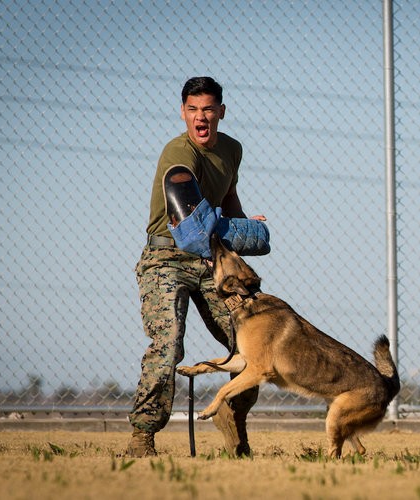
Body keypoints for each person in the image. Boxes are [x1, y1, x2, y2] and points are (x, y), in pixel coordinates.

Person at [127, 76, 266, 458]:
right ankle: (142, 437)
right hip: (166, 258)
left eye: (207, 109)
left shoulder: (232, 150)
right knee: (168, 343)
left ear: (220, 112)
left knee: (251, 343)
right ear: (183, 112)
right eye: (192, 109)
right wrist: (221, 236)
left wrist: (241, 224)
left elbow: (229, 195)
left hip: (210, 259)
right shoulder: (179, 152)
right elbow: (188, 225)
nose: (200, 117)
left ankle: (232, 422)